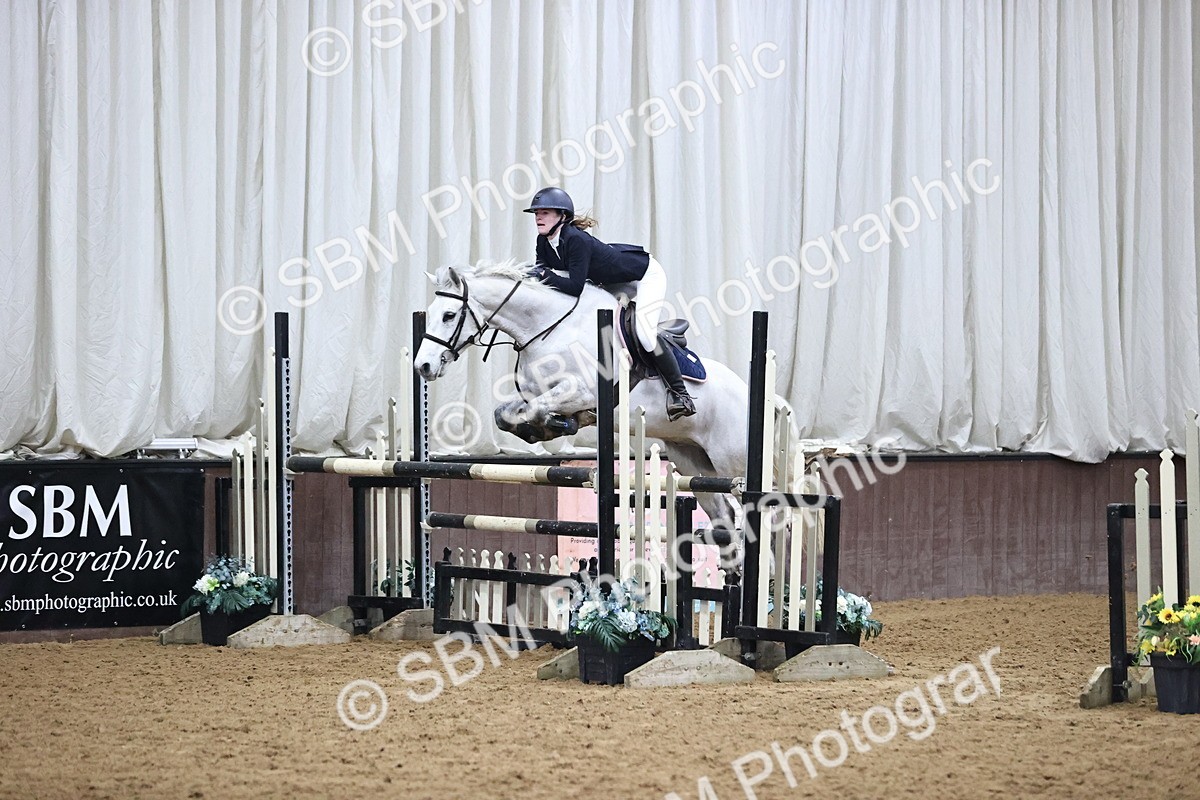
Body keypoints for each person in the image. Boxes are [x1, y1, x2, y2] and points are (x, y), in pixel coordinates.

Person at [523, 186, 696, 420]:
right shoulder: (543, 241)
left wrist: (542, 275)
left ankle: (680, 393)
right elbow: (544, 275)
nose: (538, 217)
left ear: (562, 216)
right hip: (610, 280)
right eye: (536, 213)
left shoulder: (575, 240)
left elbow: (571, 285)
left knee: (645, 333)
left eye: (544, 212)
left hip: (643, 275)